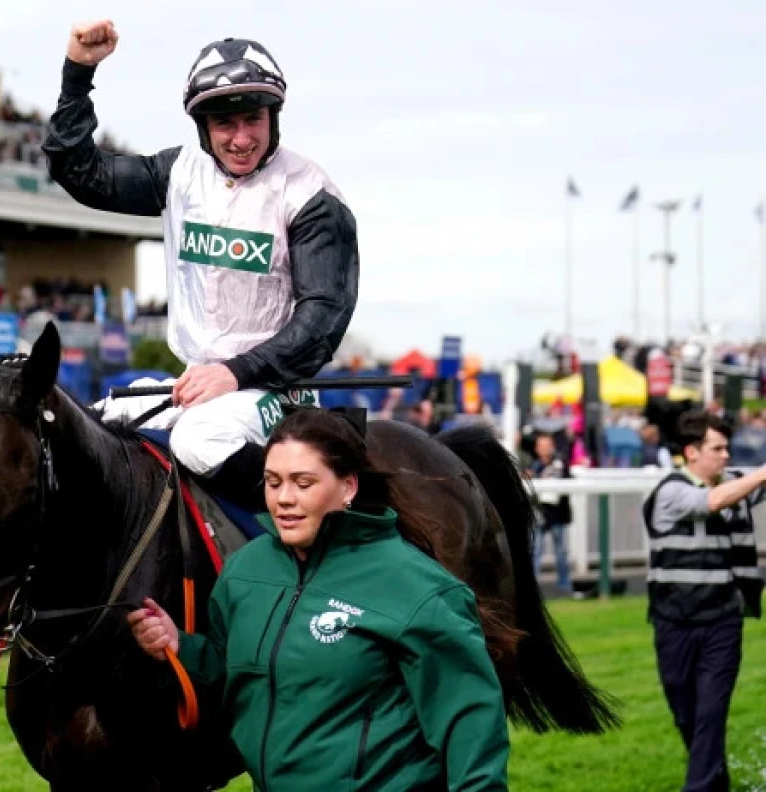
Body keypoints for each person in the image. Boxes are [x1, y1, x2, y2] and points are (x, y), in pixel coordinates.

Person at [43, 21, 360, 509]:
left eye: (252, 119)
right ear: (202, 128)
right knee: (88, 427)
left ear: (274, 115)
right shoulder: (179, 172)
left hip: (274, 392)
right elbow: (78, 171)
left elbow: (321, 321)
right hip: (196, 385)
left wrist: (234, 372)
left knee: (198, 441)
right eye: (223, 124)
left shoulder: (310, 195)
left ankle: (311, 538)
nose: (239, 139)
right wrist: (78, 73)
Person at [127, 409, 510, 790]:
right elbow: (235, 670)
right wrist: (181, 646)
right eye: (273, 482)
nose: (284, 499)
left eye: (303, 483)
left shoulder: (417, 587)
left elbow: (471, 726)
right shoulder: (244, 569)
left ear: (348, 487)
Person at [641, 409, 765, 792]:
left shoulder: (735, 484)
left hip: (722, 622)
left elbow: (737, 491)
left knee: (711, 712)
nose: (727, 455)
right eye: (719, 448)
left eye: (727, 448)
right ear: (691, 453)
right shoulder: (671, 491)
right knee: (688, 717)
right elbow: (710, 502)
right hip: (673, 622)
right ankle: (714, 783)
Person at [527, 431, 575, 597]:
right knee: (535, 551)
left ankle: (565, 585)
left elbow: (561, 485)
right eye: (542, 446)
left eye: (547, 445)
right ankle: (532, 589)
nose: (545, 449)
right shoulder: (534, 465)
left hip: (557, 514)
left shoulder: (560, 463)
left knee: (561, 552)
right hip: (540, 513)